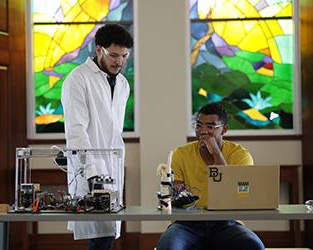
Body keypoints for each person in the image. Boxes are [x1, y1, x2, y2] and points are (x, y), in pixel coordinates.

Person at [61, 24, 133, 250]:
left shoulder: (123, 84)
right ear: (99, 49)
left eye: (124, 56)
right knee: (100, 238)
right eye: (113, 55)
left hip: (113, 165)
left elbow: (113, 131)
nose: (119, 62)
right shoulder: (78, 79)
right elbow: (76, 131)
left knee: (106, 236)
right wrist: (93, 175)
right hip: (91, 170)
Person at [156, 102, 265, 250]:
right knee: (168, 246)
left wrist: (216, 153)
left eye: (210, 127)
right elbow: (176, 191)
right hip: (187, 223)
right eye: (199, 125)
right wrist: (178, 194)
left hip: (227, 222)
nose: (203, 131)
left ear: (224, 129)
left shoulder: (240, 155)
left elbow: (233, 192)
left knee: (254, 246)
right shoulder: (180, 154)